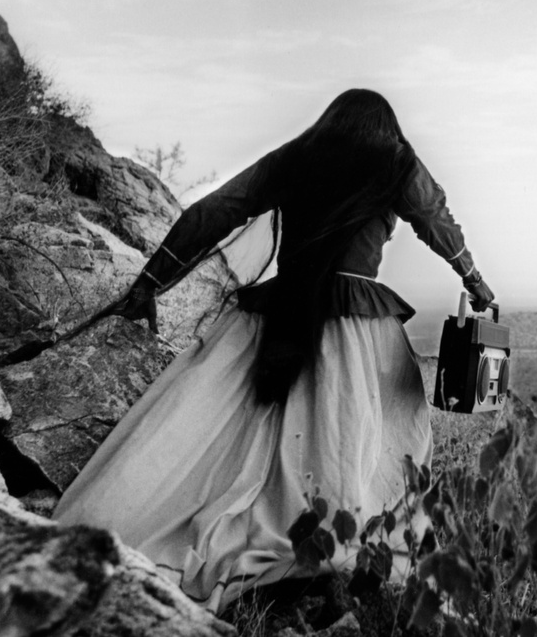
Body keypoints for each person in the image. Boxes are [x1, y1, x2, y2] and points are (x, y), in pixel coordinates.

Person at [53, 89, 494, 612]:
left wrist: (151, 281)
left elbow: (215, 211)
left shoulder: (297, 156)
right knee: (376, 431)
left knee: (223, 430)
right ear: (387, 129)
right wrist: (476, 281)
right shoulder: (395, 161)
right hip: (354, 324)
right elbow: (436, 220)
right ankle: (335, 538)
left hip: (276, 312)